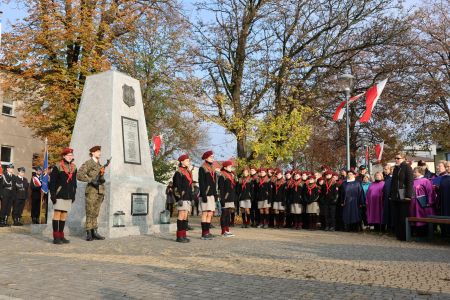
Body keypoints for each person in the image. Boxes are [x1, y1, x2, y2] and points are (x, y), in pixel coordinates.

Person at [77, 145, 107, 242]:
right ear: (93, 153)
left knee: (95, 212)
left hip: (99, 191)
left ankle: (95, 231)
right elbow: (79, 175)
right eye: (98, 151)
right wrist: (90, 180)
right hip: (91, 191)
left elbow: (100, 178)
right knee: (90, 212)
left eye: (100, 151)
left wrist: (102, 178)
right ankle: (89, 232)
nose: (100, 153)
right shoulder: (89, 163)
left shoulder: (100, 165)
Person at [49, 148, 77, 244]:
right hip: (59, 194)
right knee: (57, 214)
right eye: (68, 155)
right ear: (64, 156)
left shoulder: (74, 167)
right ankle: (56, 237)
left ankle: (61, 236)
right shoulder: (58, 166)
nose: (70, 157)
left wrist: (74, 193)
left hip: (69, 194)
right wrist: (52, 194)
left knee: (64, 215)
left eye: (71, 155)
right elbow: (52, 181)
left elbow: (74, 182)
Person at [390, 152, 414, 241]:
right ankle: (398, 235)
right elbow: (393, 183)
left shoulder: (407, 167)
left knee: (403, 216)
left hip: (404, 195)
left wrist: (408, 195)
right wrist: (391, 195)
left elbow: (410, 182)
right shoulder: (396, 168)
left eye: (398, 158)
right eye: (395, 158)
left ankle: (404, 236)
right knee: (396, 216)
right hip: (395, 196)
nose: (396, 159)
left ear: (403, 159)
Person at [172, 154, 193, 243]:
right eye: (187, 160)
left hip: (187, 197)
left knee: (185, 216)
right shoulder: (178, 173)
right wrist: (178, 198)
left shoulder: (187, 172)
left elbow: (189, 186)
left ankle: (183, 235)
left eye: (188, 160)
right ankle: (179, 236)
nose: (188, 162)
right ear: (182, 162)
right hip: (182, 197)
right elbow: (176, 187)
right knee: (181, 215)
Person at [410, 167, 436, 236]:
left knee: (422, 217)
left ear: (420, 172)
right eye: (413, 172)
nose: (413, 173)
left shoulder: (425, 180)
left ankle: (423, 233)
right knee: (414, 216)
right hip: (413, 203)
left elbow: (430, 192)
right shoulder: (412, 181)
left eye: (415, 172)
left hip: (422, 204)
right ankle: (415, 232)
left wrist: (429, 202)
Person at [198, 150, 217, 240]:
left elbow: (214, 183)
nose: (213, 158)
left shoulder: (213, 168)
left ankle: (208, 232)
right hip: (205, 194)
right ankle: (204, 233)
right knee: (205, 213)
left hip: (212, 194)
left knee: (210, 213)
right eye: (211, 157)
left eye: (213, 157)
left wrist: (215, 194)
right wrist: (203, 195)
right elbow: (201, 183)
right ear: (206, 158)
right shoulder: (202, 168)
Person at [218, 161, 236, 237]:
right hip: (225, 198)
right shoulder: (222, 175)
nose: (230, 168)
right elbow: (220, 188)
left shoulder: (231, 175)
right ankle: (223, 231)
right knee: (224, 214)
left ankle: (227, 229)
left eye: (231, 167)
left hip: (230, 197)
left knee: (228, 214)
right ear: (225, 167)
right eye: (229, 167)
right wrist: (222, 198)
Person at [438, 162, 450, 236]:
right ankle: (445, 232)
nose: (448, 168)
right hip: (444, 200)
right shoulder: (443, 178)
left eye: (449, 166)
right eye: (447, 166)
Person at [381, 165, 394, 231]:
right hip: (386, 198)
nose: (384, 170)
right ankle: (389, 227)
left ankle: (392, 227)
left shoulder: (392, 178)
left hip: (391, 198)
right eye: (384, 169)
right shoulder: (386, 178)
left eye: (386, 169)